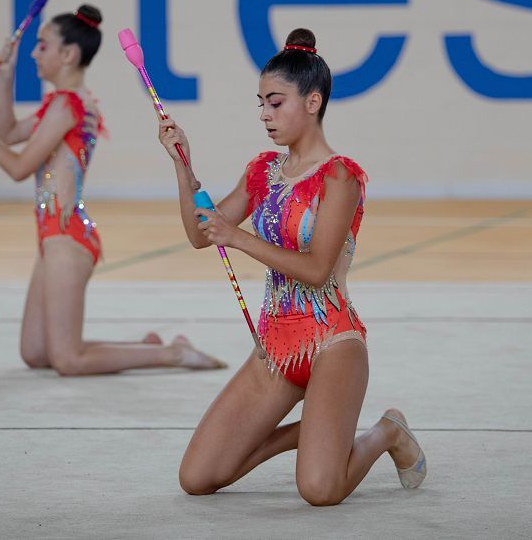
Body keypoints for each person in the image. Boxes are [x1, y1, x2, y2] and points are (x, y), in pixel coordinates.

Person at [157, 28, 426, 505]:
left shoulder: (340, 176)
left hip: (332, 344)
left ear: (312, 101)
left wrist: (238, 238)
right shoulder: (262, 170)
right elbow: (202, 234)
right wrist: (183, 167)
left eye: (275, 102)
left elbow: (319, 269)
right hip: (276, 349)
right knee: (197, 478)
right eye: (260, 102)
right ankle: (320, 432)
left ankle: (386, 432)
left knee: (320, 489)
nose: (264, 114)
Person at [0, 3, 225, 375]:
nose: (34, 53)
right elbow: (8, 133)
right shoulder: (58, 104)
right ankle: (147, 347)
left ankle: (172, 355)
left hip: (67, 238)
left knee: (68, 361)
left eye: (42, 45)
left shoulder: (69, 105)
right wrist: (4, 77)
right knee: (36, 353)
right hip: (51, 236)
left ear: (68, 54)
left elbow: (19, 168)